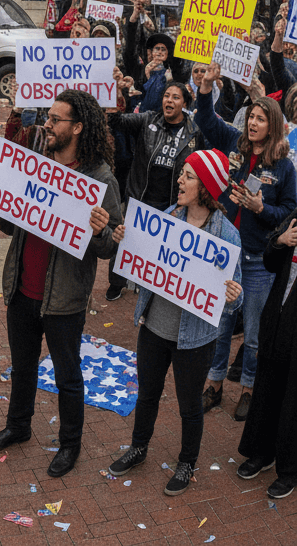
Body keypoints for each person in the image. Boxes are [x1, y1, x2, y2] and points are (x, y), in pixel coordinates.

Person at [0, 90, 121, 478]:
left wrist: (99, 232)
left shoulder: (100, 179)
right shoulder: (35, 164)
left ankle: (69, 444)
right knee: (23, 367)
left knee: (67, 376)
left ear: (78, 127)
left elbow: (110, 248)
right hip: (22, 288)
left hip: (63, 299)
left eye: (56, 119)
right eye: (48, 116)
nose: (47, 124)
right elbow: (9, 224)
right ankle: (18, 426)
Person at [106, 150, 243, 495]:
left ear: (206, 187)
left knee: (189, 405)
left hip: (194, 339)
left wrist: (233, 296)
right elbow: (141, 262)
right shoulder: (167, 217)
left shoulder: (227, 236)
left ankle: (186, 463)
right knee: (147, 394)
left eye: (188, 176)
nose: (179, 180)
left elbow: (234, 299)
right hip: (154, 327)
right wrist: (125, 240)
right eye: (182, 173)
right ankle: (138, 448)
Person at [192, 63, 297, 421]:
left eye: (260, 119)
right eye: (251, 116)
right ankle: (214, 385)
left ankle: (248, 390)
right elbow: (206, 120)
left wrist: (260, 208)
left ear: (273, 125)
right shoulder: (233, 142)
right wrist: (206, 87)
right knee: (221, 327)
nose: (252, 123)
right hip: (225, 255)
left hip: (256, 262)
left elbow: (289, 211)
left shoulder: (283, 167)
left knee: (252, 334)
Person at [105, 81, 204, 301]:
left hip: (169, 203)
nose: (169, 100)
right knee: (125, 243)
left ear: (184, 104)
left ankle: (148, 292)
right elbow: (116, 121)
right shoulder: (148, 119)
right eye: (166, 95)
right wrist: (116, 92)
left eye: (176, 97)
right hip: (140, 197)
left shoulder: (194, 132)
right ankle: (116, 283)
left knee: (159, 252)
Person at [235, 206, 297, 498]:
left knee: (292, 401)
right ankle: (262, 452)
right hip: (277, 320)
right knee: (267, 389)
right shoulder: (295, 218)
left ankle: (289, 470)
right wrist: (280, 241)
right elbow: (270, 262)